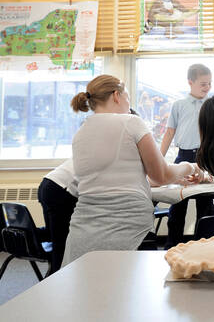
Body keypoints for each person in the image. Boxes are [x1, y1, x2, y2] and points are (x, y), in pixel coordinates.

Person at [63, 75, 200, 266]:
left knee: (87, 288)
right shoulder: (130, 122)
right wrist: (191, 166)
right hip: (127, 227)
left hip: (83, 228)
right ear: (117, 96)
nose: (129, 104)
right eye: (127, 97)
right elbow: (161, 176)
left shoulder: (80, 132)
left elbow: (122, 176)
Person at [0, 158, 79, 279]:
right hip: (62, 189)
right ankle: (55, 286)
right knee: (62, 245)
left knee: (53, 234)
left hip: (50, 183)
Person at [159, 63, 213, 248]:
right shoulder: (179, 105)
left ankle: (202, 244)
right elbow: (169, 133)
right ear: (190, 82)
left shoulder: (211, 105)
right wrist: (159, 160)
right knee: (178, 202)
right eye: (203, 84)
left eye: (209, 84)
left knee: (204, 205)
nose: (207, 87)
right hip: (183, 157)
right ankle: (172, 243)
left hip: (205, 158)